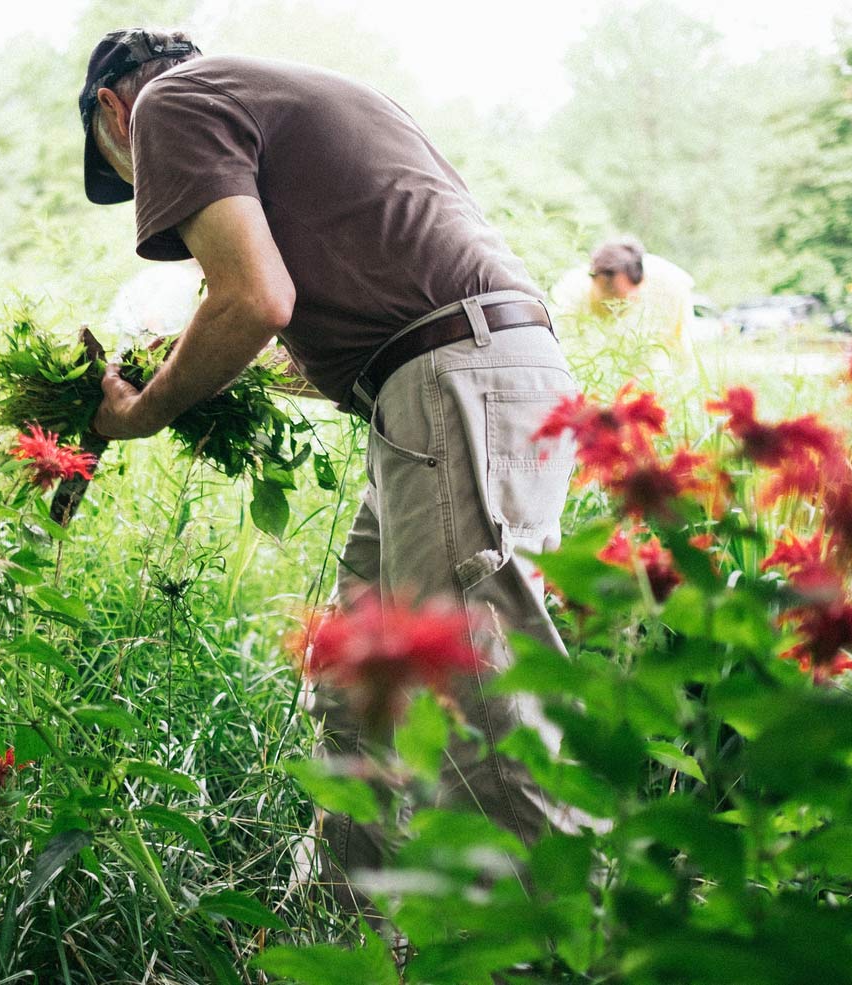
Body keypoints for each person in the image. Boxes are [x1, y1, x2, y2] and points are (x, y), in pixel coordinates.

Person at [78, 28, 585, 922]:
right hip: (450, 377)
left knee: (471, 687)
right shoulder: (284, 94)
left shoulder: (169, 102)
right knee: (361, 675)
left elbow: (253, 299)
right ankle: (344, 932)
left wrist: (142, 409)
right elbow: (310, 317)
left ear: (111, 112)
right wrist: (188, 361)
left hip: (453, 380)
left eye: (128, 175)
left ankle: (542, 950)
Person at [550, 236, 697, 362]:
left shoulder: (670, 285)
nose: (610, 301)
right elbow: (559, 346)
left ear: (641, 282)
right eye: (606, 290)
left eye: (617, 293)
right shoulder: (570, 290)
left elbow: (684, 351)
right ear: (593, 279)